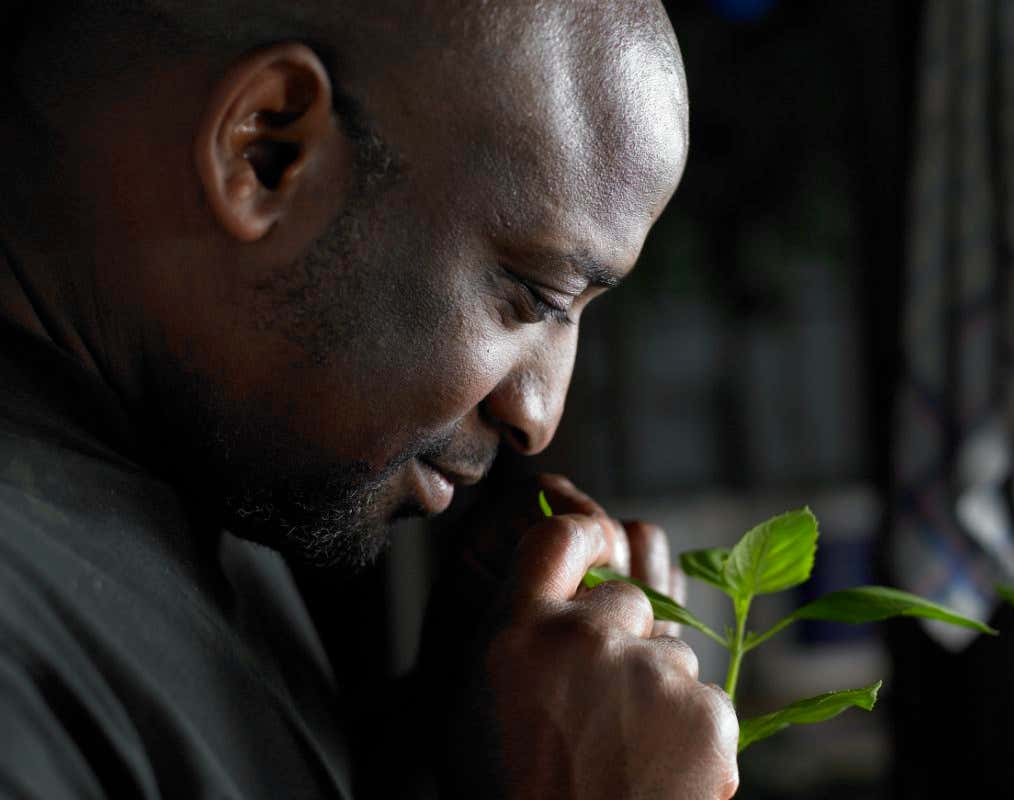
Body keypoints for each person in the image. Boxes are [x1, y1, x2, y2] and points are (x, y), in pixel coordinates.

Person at [0, 0, 740, 798]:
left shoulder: (194, 469)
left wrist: (454, 755)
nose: (537, 415)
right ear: (267, 151)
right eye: (533, 295)